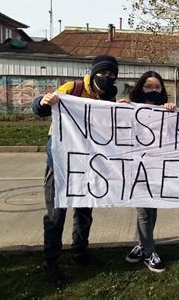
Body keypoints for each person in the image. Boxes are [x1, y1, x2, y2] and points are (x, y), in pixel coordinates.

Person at [32, 55, 119, 287]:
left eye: (112, 75)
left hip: (88, 165)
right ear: (94, 72)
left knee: (84, 210)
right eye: (104, 73)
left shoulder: (109, 97)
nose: (107, 78)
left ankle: (80, 252)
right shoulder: (74, 88)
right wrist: (43, 101)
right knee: (56, 213)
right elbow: (41, 108)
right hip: (60, 161)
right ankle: (50, 261)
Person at [124, 71, 175, 273]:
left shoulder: (166, 110)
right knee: (144, 211)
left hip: (157, 167)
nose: (153, 90)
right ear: (140, 88)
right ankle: (149, 253)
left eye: (157, 87)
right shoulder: (128, 107)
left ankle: (141, 244)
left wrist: (173, 111)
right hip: (135, 167)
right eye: (148, 86)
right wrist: (116, 110)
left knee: (152, 209)